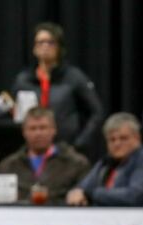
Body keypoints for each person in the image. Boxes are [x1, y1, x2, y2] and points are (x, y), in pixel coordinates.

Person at [11, 22, 103, 155]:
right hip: (30, 152)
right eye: (40, 42)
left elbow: (97, 112)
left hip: (65, 151)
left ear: (60, 47)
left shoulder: (73, 77)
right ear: (34, 48)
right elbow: (16, 115)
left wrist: (79, 143)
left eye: (50, 42)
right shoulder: (23, 80)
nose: (45, 46)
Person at [67, 113, 143, 207]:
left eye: (123, 138)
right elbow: (83, 188)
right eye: (112, 140)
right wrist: (76, 193)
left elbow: (132, 197)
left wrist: (91, 194)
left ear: (137, 138)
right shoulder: (105, 163)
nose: (117, 144)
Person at [0, 107, 90, 205]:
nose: (38, 133)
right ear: (24, 132)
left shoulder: (77, 164)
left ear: (54, 130)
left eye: (43, 127)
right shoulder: (7, 166)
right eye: (33, 128)